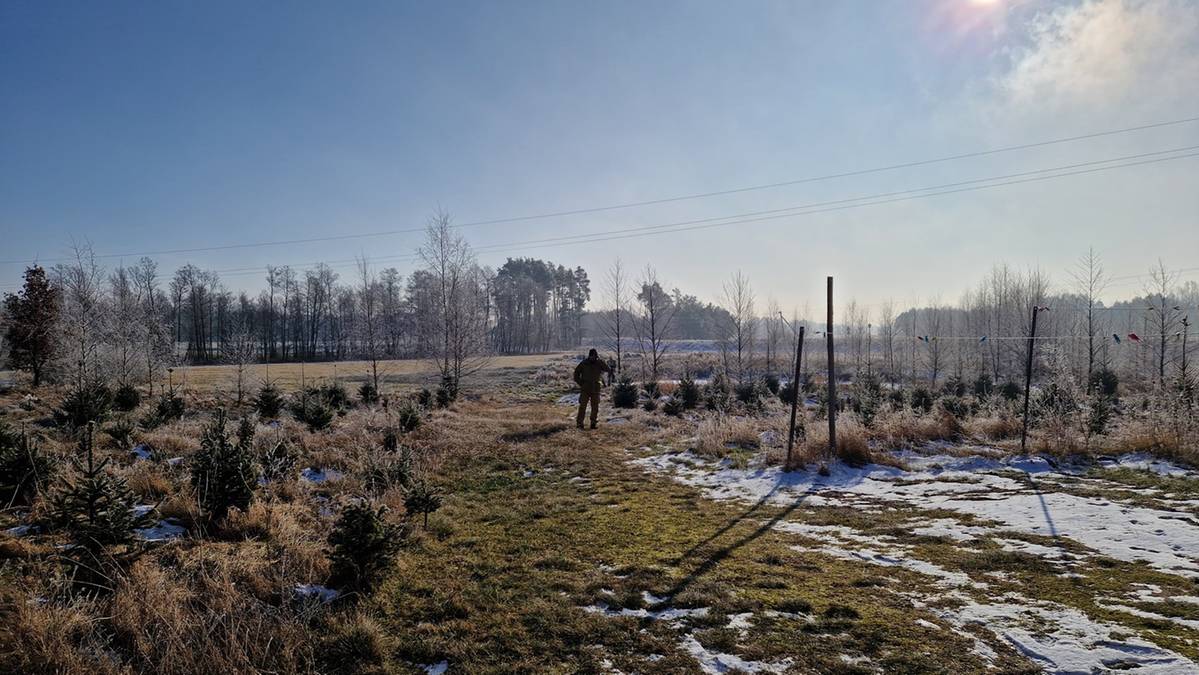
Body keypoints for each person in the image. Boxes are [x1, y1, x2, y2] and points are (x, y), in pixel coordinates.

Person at [573, 348, 611, 430]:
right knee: (582, 406)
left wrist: (601, 361)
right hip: (585, 388)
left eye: (594, 356)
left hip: (595, 388)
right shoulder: (584, 363)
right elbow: (576, 374)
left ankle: (593, 423)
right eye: (592, 356)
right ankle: (579, 424)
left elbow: (607, 369)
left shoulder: (599, 363)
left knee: (595, 407)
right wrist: (581, 383)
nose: (593, 358)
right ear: (589, 356)